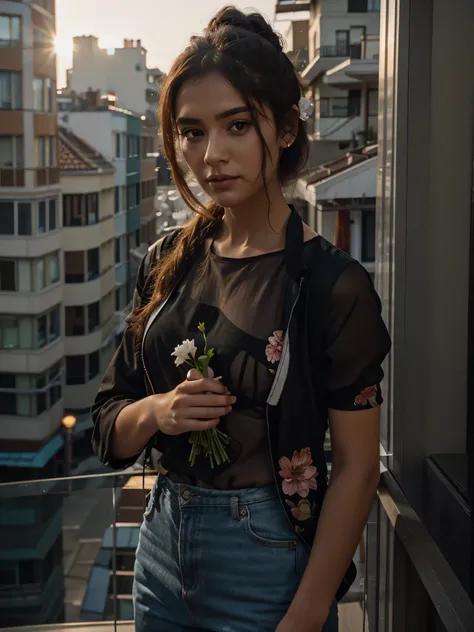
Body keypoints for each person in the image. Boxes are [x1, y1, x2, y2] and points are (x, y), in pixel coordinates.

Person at [91, 6, 391, 632]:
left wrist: (308, 613)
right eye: (192, 132)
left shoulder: (333, 285)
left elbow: (359, 467)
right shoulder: (167, 261)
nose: (211, 155)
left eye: (235, 126)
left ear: (282, 130)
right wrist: (158, 411)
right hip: (161, 547)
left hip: (270, 561)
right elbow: (108, 422)